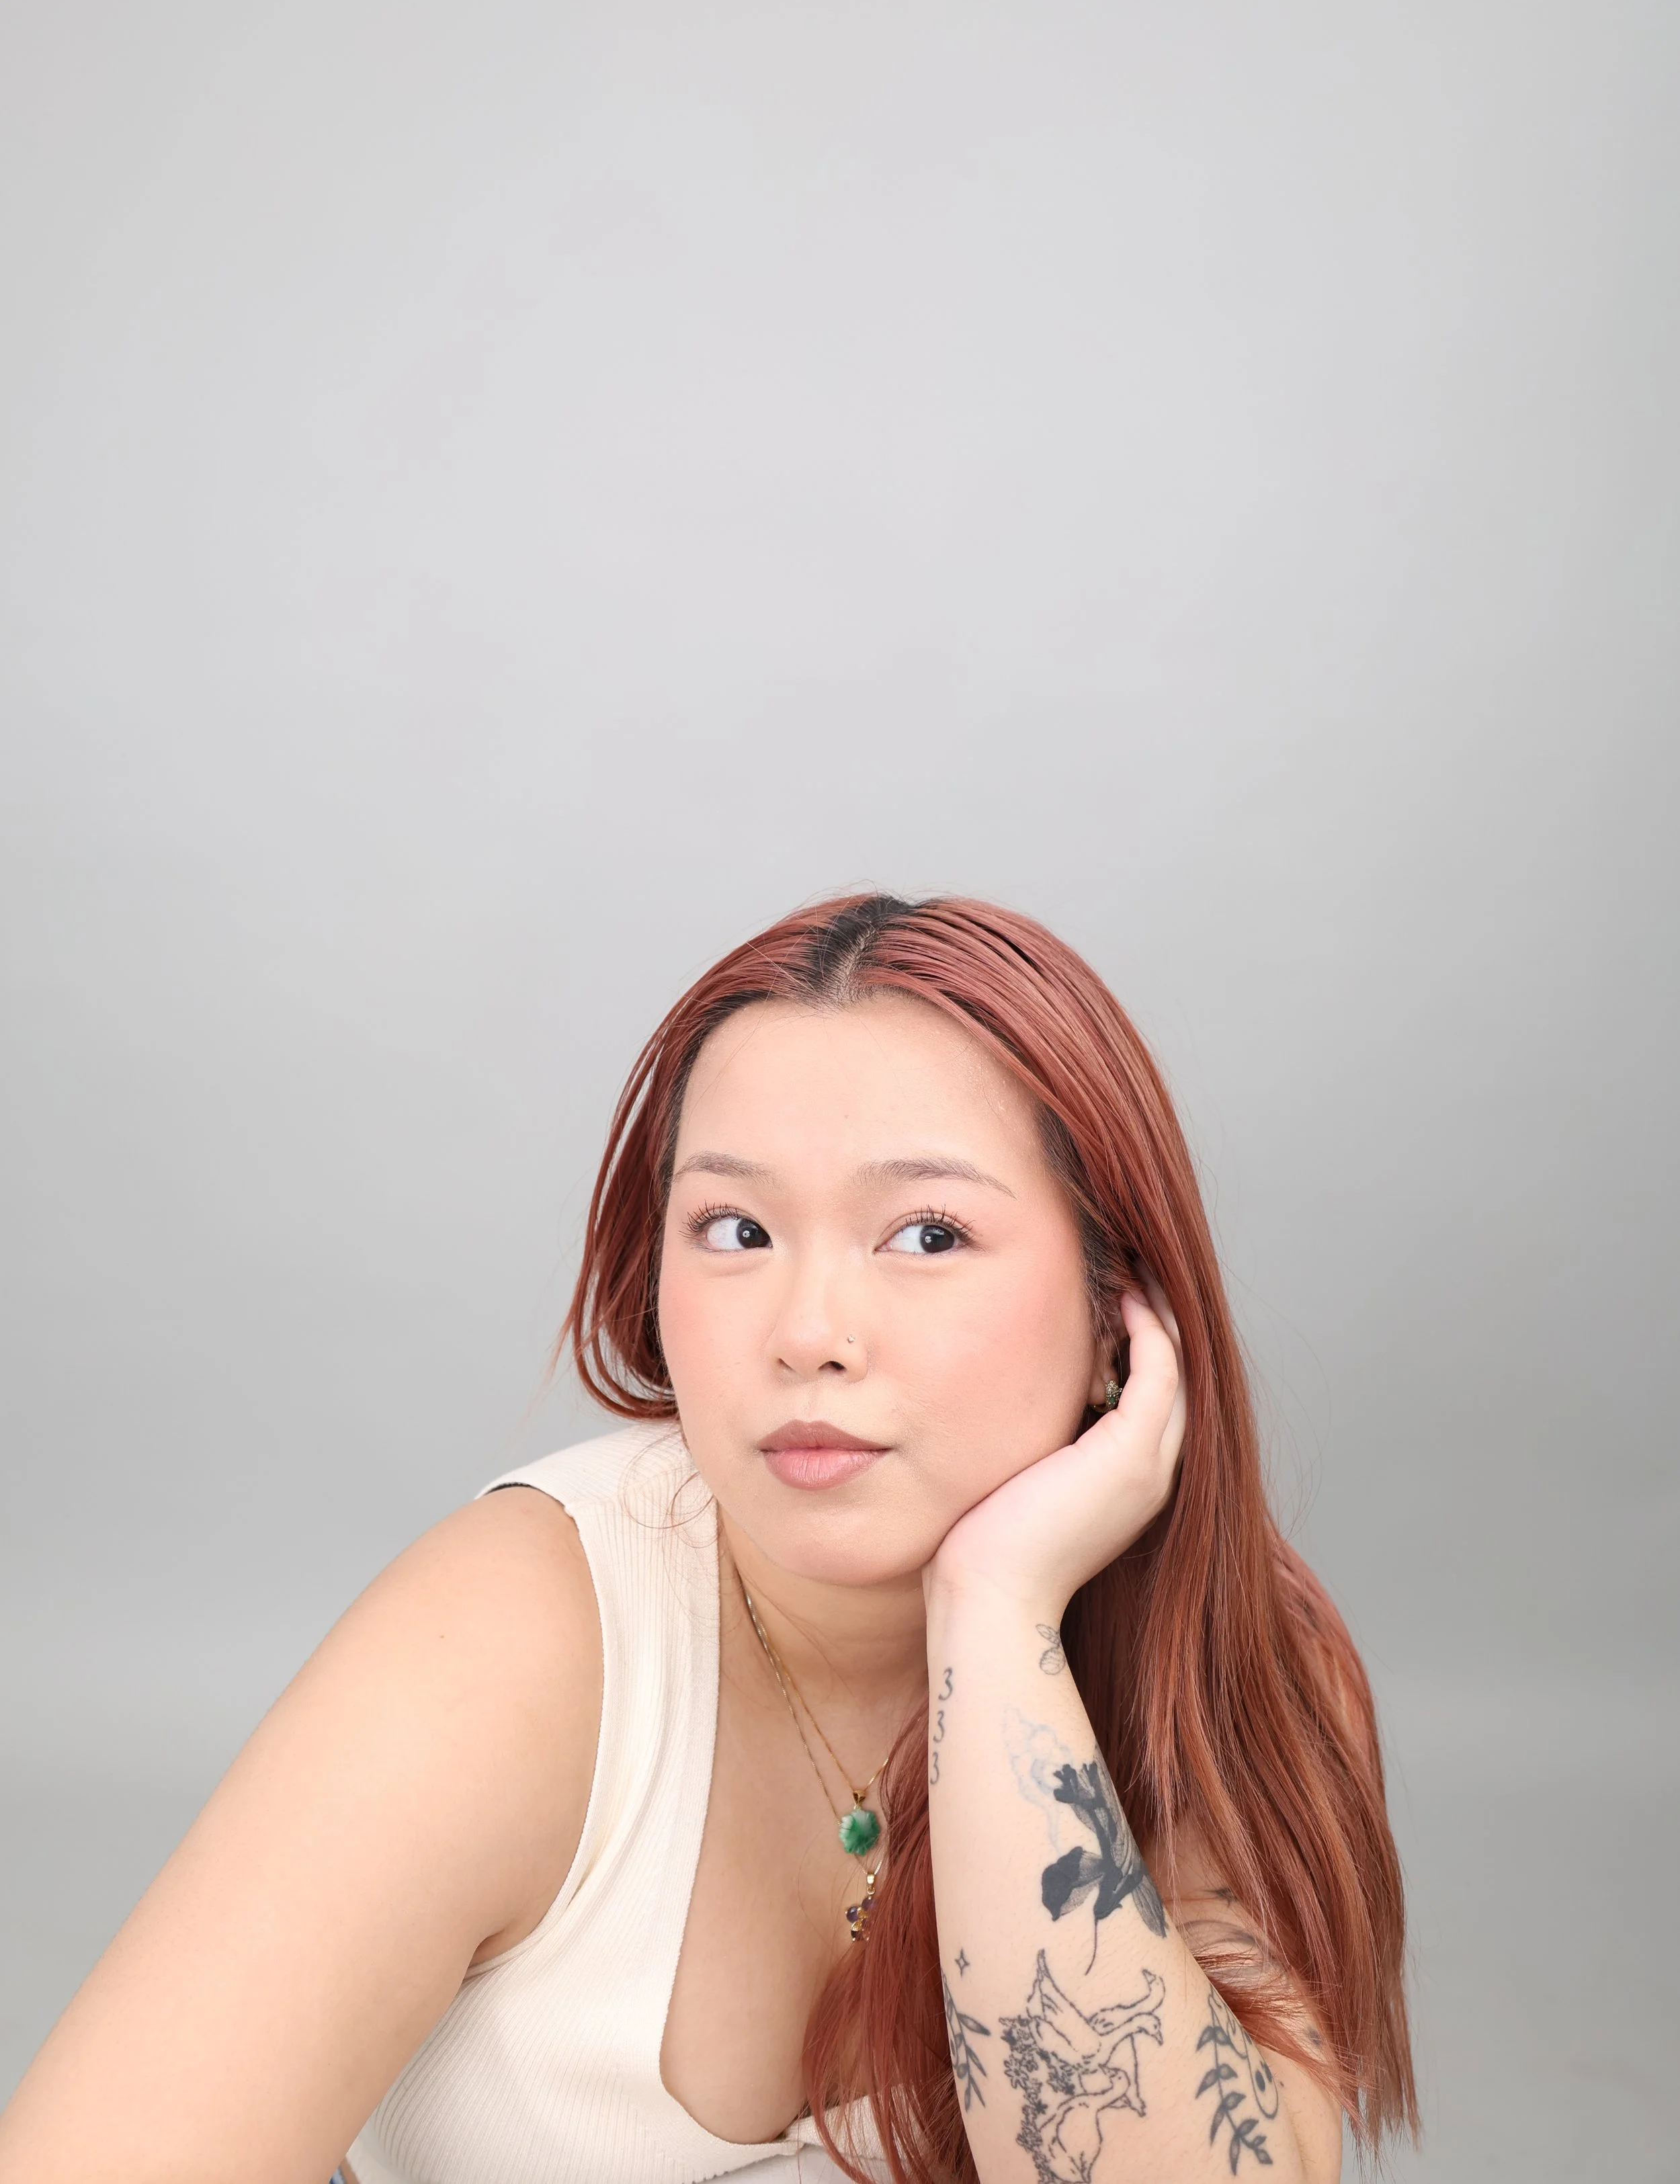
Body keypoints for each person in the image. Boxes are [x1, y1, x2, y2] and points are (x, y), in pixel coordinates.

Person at [0, 893, 1414, 2184]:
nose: (805, 1334)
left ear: (1121, 1311)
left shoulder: (1234, 1671)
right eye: (733, 1230)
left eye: (925, 1236)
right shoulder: (512, 1644)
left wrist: (994, 1619)